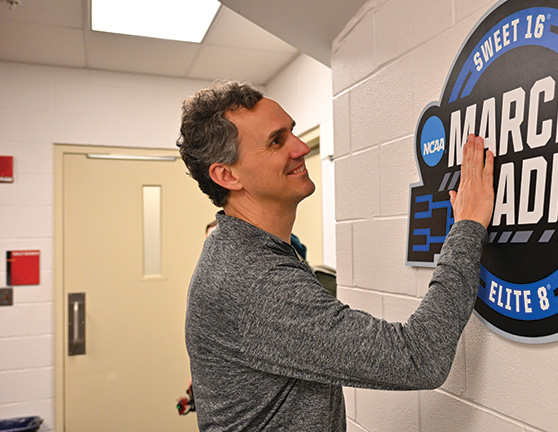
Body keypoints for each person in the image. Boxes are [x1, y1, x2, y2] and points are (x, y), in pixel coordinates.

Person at [177, 80, 495, 431]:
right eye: (276, 141)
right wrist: (467, 225)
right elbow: (419, 358)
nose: (300, 148)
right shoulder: (254, 279)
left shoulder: (239, 248)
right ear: (227, 175)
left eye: (292, 132)